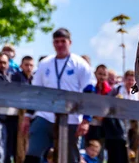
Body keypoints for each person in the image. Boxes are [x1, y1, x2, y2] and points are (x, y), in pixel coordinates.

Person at [23, 28, 93, 163]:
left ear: (70, 42)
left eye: (63, 41)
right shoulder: (45, 64)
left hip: (71, 118)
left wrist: (86, 119)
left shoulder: (80, 64)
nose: (60, 45)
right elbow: (36, 91)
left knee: (70, 157)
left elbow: (88, 92)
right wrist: (28, 115)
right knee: (33, 151)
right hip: (45, 115)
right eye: (56, 42)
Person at [82, 64, 112, 162]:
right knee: (86, 149)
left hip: (101, 126)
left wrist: (102, 115)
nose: (102, 77)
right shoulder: (90, 87)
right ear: (95, 74)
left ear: (107, 76)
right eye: (100, 74)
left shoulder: (109, 91)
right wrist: (95, 114)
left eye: (104, 74)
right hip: (87, 123)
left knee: (98, 151)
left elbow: (110, 107)